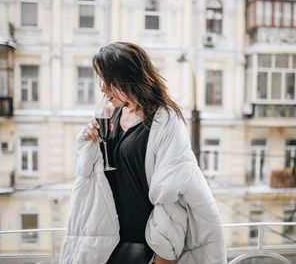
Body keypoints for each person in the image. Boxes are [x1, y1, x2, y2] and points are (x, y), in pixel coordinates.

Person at [59, 42, 226, 264]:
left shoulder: (166, 121)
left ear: (128, 79)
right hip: (111, 237)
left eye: (109, 81)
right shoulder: (114, 113)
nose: (103, 89)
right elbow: (95, 173)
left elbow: (172, 195)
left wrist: (163, 257)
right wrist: (89, 139)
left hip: (146, 242)